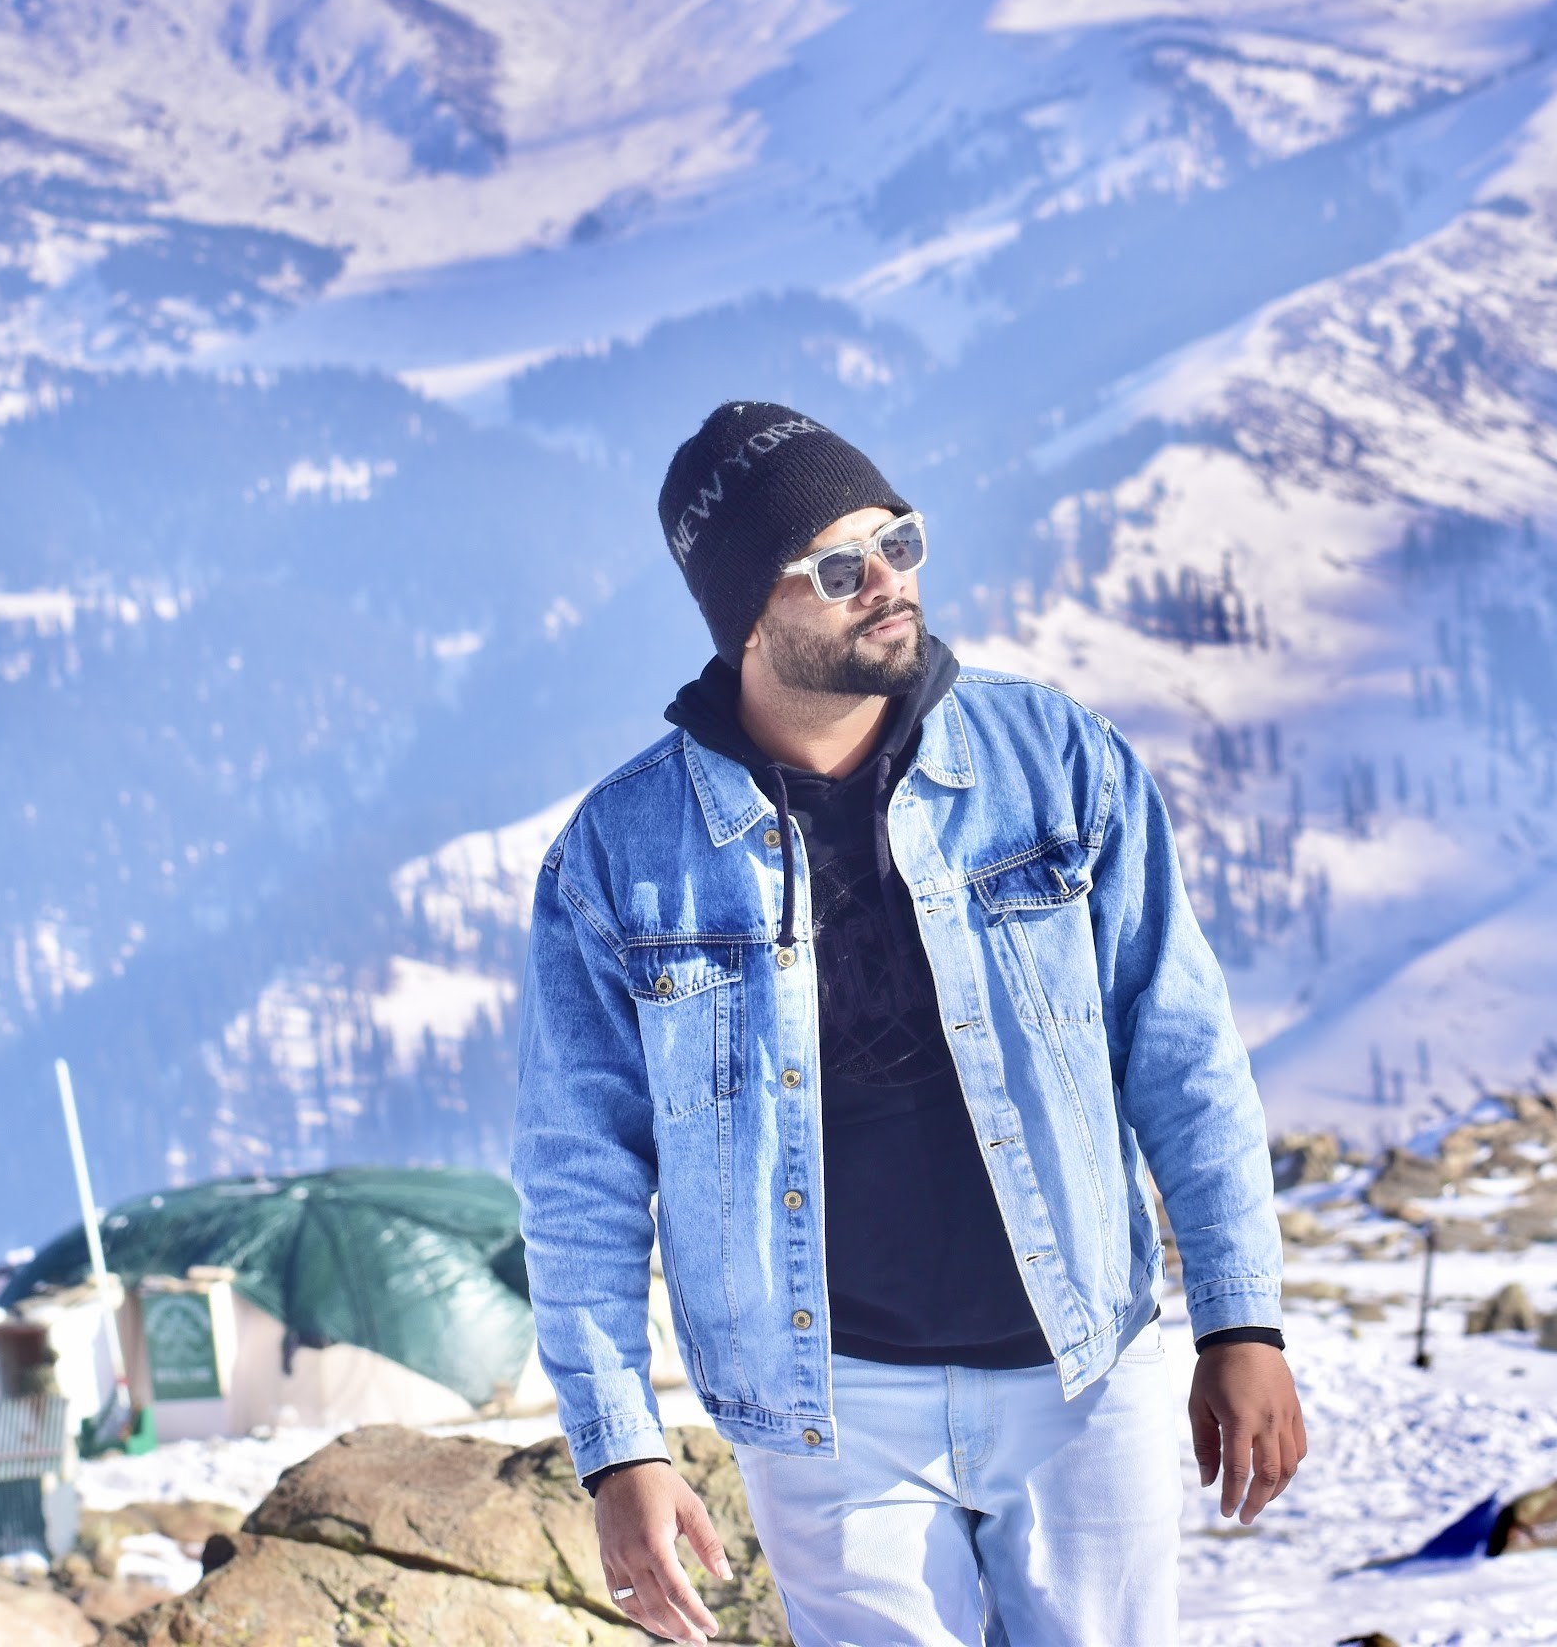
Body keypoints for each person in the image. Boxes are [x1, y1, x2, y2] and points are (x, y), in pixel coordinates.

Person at [512, 401, 1302, 1645]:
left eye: (899, 541)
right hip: (827, 1406)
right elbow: (578, 1172)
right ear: (746, 611)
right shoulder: (621, 856)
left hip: (1080, 1372)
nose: (887, 581)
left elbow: (1183, 1047)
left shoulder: (1054, 758)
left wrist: (1240, 1317)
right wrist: (619, 1449)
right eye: (838, 567)